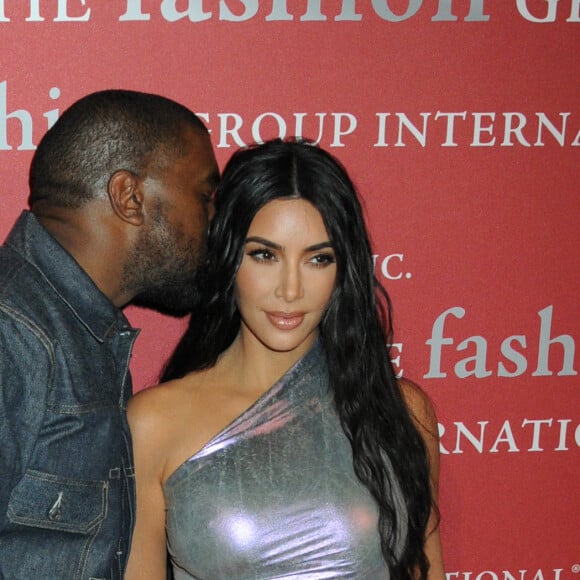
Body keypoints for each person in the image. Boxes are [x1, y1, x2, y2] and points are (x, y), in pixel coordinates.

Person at [126, 138, 444, 579]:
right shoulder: (153, 424)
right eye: (264, 255)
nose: (290, 290)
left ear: (342, 270)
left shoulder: (400, 413)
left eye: (318, 259)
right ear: (227, 255)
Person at [0, 89, 219, 579]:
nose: (215, 222)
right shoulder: (13, 333)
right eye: (205, 197)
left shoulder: (77, 329)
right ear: (130, 197)